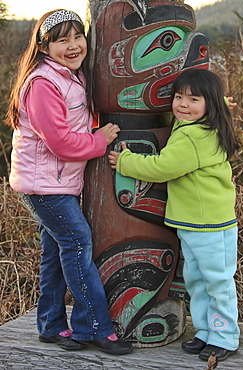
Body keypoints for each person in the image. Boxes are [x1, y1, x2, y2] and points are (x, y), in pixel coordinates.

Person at [5, 9, 133, 355]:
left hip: (55, 182)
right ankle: (93, 327)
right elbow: (60, 142)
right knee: (77, 242)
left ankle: (49, 324)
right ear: (45, 47)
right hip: (44, 187)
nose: (74, 45)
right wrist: (100, 140)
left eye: (78, 37)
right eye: (63, 40)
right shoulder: (44, 83)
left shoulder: (70, 76)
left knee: (54, 252)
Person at [108, 68, 240, 362]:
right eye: (179, 97)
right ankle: (207, 331)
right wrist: (216, 103)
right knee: (197, 281)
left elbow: (163, 167)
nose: (183, 104)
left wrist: (126, 161)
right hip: (193, 225)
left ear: (210, 105)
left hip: (210, 226)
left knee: (216, 282)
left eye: (194, 99)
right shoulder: (197, 125)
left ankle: (225, 337)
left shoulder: (195, 136)